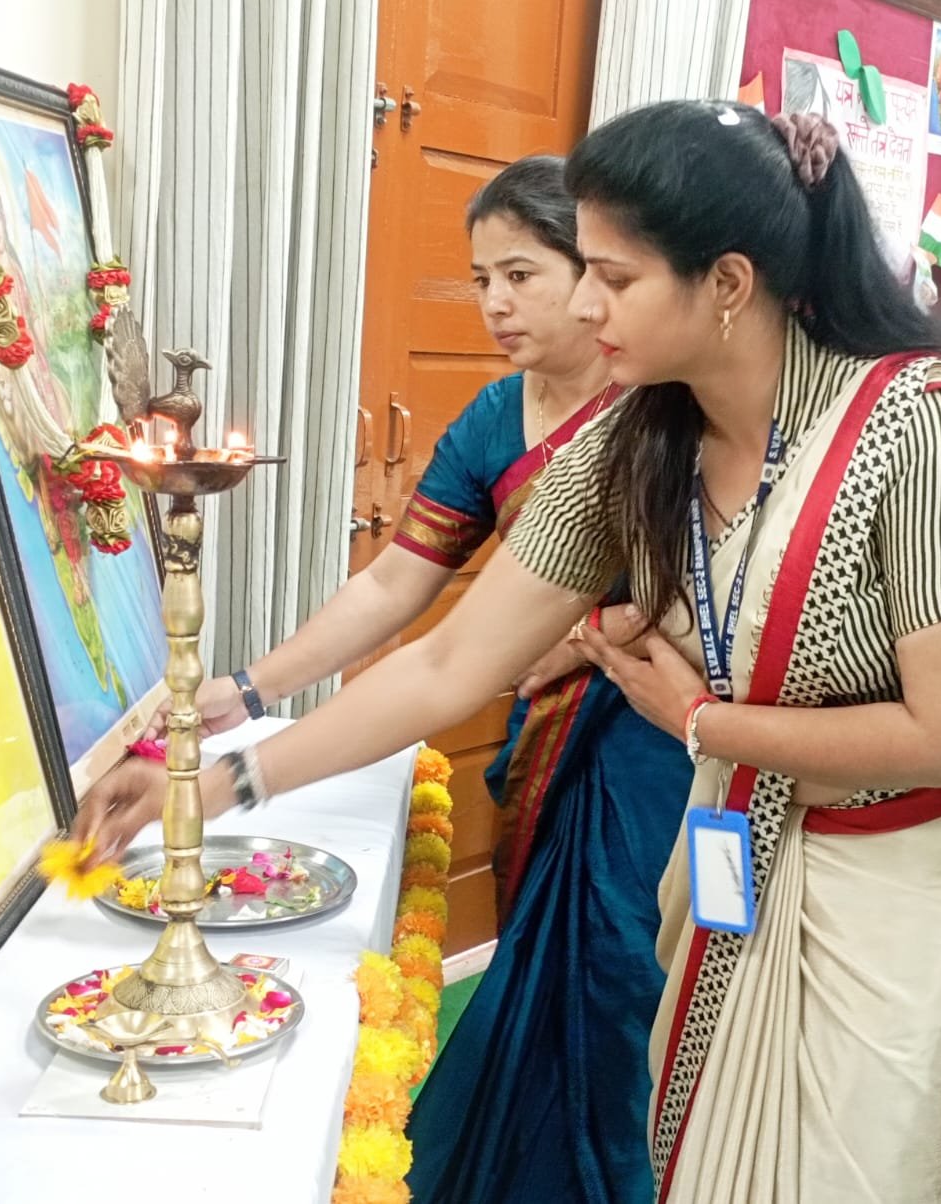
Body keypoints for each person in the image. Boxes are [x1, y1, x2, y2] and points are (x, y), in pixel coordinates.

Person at [78, 102, 941, 1202]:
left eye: (612, 276)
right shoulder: (634, 436)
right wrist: (213, 784)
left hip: (887, 891)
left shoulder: (924, 430)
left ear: (727, 283)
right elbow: (449, 661)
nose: (582, 303)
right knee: (701, 1154)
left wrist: (700, 721)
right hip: (729, 849)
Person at [135, 155, 694, 1202]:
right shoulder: (495, 418)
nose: (494, 303)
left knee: (625, 988)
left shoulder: (669, 412)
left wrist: (588, 637)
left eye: (520, 274)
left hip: (652, 750)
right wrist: (248, 692)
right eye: (481, 279)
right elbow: (397, 584)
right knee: (548, 985)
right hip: (546, 742)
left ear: (593, 274)